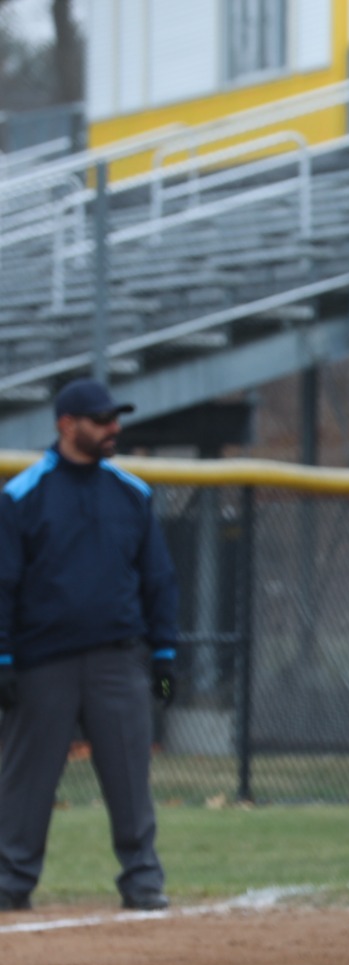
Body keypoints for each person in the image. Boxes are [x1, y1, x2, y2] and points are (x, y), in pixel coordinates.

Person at [0, 379, 180, 912]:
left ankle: (142, 878)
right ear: (65, 424)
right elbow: (3, 583)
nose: (113, 429)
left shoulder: (131, 493)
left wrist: (165, 655)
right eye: (101, 420)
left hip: (117, 657)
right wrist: (3, 658)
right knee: (28, 780)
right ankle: (11, 881)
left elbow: (159, 580)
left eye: (114, 420)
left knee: (129, 774)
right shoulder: (22, 495)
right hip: (41, 662)